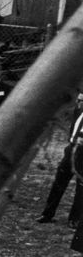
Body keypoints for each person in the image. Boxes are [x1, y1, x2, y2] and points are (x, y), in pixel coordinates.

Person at [39, 94, 83, 225]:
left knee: (80, 188)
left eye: (81, 100)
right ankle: (47, 214)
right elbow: (73, 128)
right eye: (78, 100)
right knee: (59, 182)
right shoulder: (78, 110)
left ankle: (74, 219)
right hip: (71, 149)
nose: (78, 102)